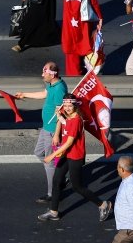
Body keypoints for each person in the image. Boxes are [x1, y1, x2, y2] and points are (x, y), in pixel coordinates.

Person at [38, 94, 112, 222]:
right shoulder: (68, 116)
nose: (67, 108)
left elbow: (68, 143)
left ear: (75, 106)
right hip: (66, 154)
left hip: (75, 156)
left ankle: (103, 205)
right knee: (56, 180)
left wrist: (52, 155)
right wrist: (58, 123)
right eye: (65, 105)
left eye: (69, 105)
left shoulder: (76, 120)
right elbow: (64, 122)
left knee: (78, 187)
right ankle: (54, 212)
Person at [14, 62, 68, 204]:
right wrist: (23, 94)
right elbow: (44, 94)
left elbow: (60, 114)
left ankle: (52, 192)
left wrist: (56, 134)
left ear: (52, 74)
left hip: (51, 131)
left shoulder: (59, 90)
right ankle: (60, 175)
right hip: (46, 127)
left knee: (48, 161)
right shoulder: (51, 85)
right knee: (39, 153)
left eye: (45, 72)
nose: (42, 74)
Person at [54, 0, 103, 75]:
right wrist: (100, 18)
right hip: (84, 22)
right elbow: (94, 3)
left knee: (72, 50)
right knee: (85, 44)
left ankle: (74, 74)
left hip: (69, 23)